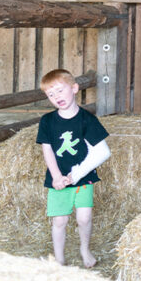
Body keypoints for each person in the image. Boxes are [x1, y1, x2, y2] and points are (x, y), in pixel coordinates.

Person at [37, 69, 110, 268]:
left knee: (84, 218)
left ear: (75, 88)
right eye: (51, 94)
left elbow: (103, 152)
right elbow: (48, 150)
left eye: (60, 91)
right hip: (59, 178)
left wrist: (77, 173)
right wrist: (56, 176)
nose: (56, 97)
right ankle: (59, 259)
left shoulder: (87, 120)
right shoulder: (47, 121)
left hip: (83, 178)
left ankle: (84, 250)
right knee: (59, 220)